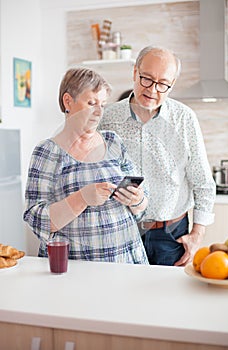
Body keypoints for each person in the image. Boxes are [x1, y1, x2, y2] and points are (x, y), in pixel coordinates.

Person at [99, 46, 216, 266]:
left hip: (171, 236)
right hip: (122, 231)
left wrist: (197, 235)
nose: (153, 90)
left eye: (163, 84)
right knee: (122, 297)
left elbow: (203, 182)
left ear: (172, 84)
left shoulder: (184, 119)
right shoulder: (107, 118)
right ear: (135, 72)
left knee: (169, 298)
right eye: (146, 79)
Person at [23, 67, 149, 264]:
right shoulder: (47, 151)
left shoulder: (112, 141)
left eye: (103, 104)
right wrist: (81, 198)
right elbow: (35, 217)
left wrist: (137, 200)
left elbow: (144, 203)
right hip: (76, 267)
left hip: (128, 262)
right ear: (68, 102)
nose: (99, 112)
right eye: (91, 103)